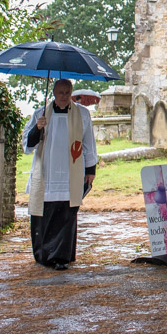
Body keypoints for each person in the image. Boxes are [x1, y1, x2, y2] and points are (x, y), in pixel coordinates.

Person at [22, 79, 98, 270]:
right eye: (60, 92)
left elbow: (88, 142)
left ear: (71, 93)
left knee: (66, 213)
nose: (63, 96)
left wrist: (90, 170)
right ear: (54, 93)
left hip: (71, 171)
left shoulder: (82, 114)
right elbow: (27, 145)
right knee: (44, 213)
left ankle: (61, 256)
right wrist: (37, 128)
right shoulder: (40, 113)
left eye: (67, 92)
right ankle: (43, 254)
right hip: (47, 170)